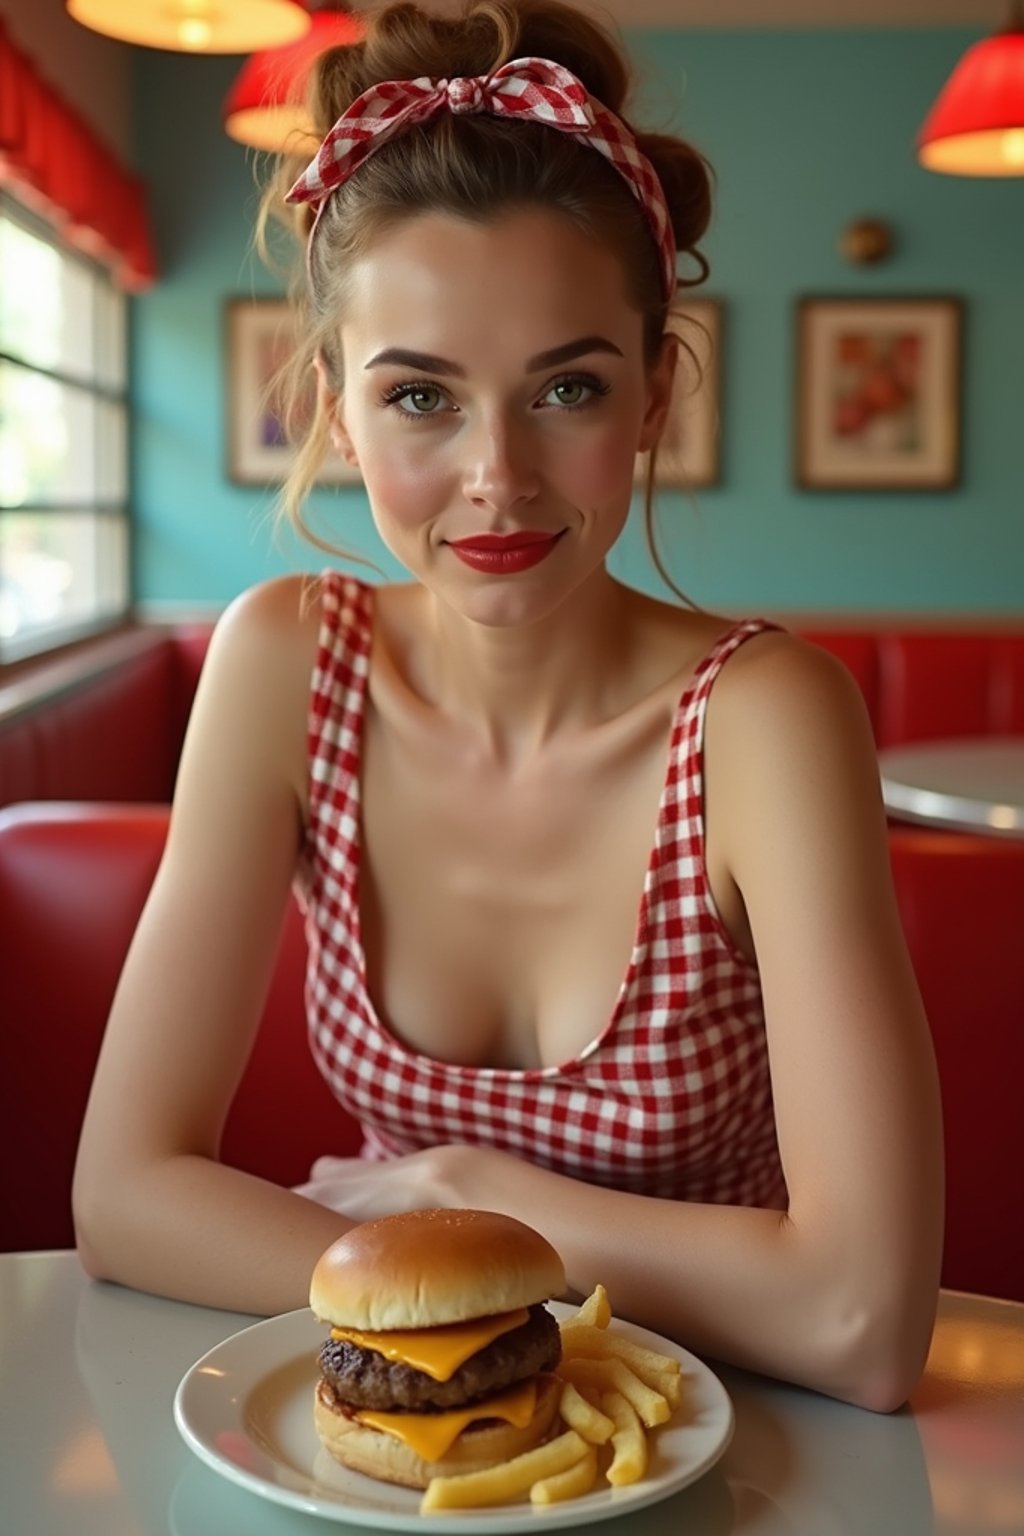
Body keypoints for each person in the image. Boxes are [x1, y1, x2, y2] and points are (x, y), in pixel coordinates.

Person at [72, 0, 943, 1412]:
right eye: (421, 397)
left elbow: (860, 1321)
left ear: (657, 390)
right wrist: (446, 1244)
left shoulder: (768, 719)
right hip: (404, 1443)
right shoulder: (285, 663)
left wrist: (461, 1192)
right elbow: (125, 1197)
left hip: (742, 1456)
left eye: (568, 388)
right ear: (337, 412)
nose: (497, 476)